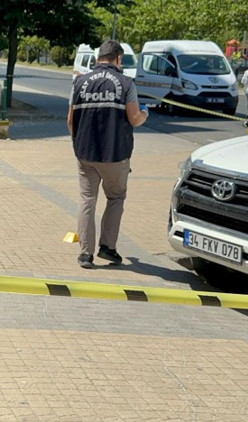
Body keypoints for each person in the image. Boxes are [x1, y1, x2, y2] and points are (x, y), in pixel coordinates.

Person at [66, 40, 149, 269]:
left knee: (87, 200)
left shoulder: (79, 82)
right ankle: (108, 248)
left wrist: (78, 144)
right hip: (116, 154)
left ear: (97, 57)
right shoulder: (125, 83)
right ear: (118, 58)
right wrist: (144, 114)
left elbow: (71, 121)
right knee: (115, 198)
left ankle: (85, 254)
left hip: (86, 153)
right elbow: (134, 119)